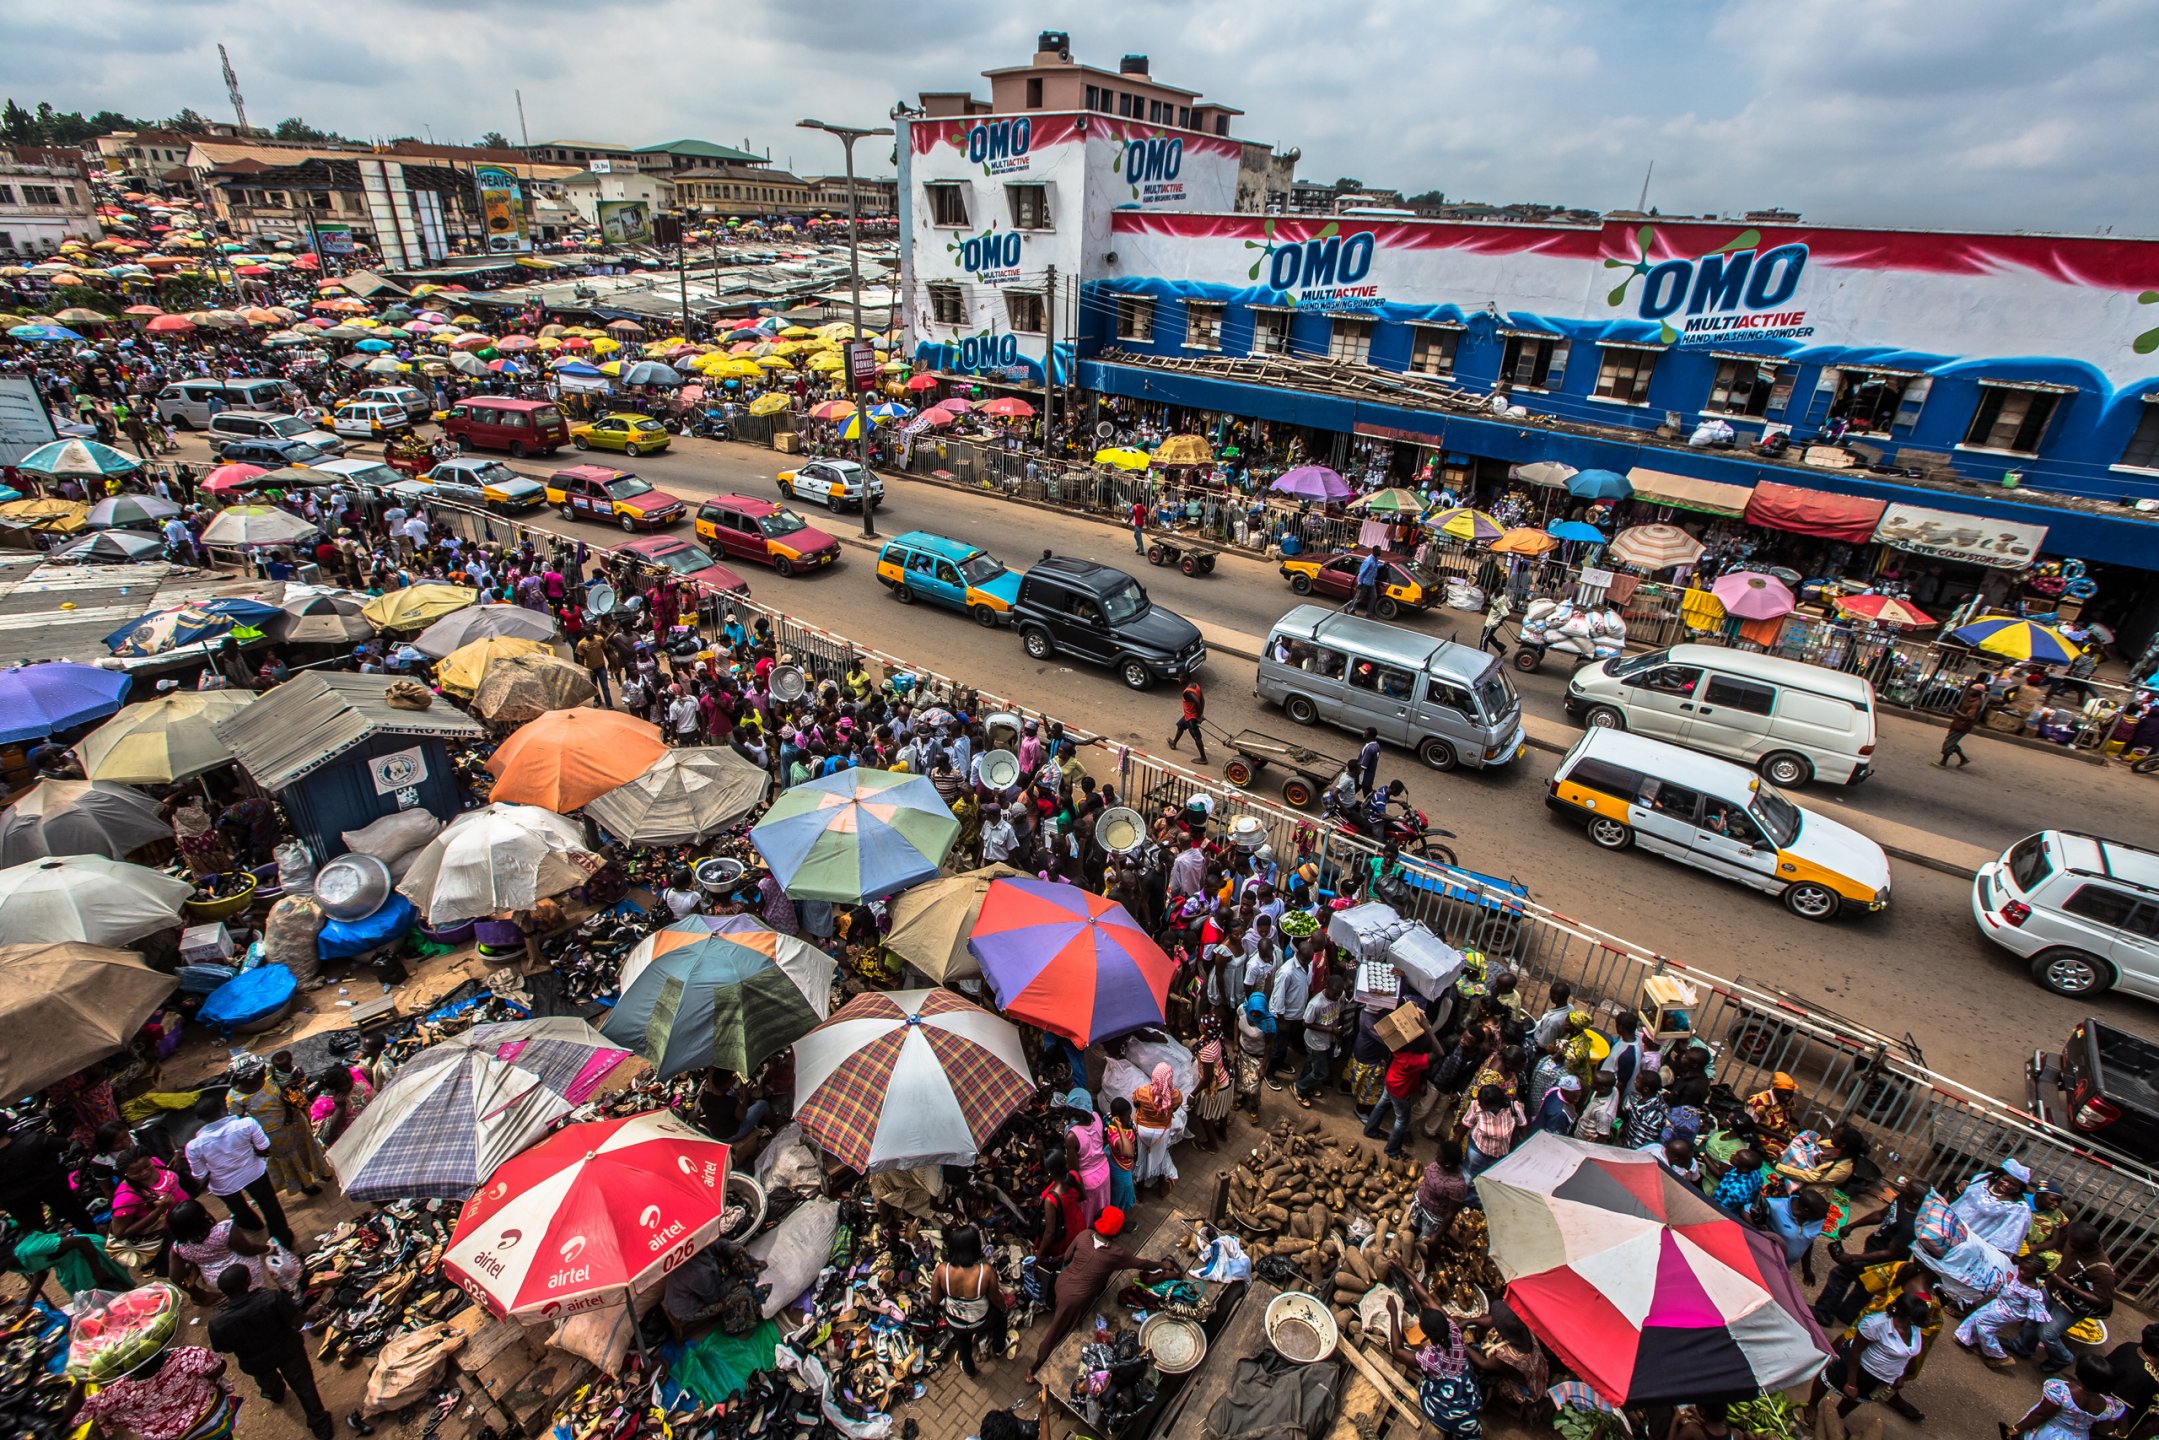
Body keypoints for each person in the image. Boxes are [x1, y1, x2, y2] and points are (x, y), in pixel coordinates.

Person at [1025, 1210, 1178, 1382]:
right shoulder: (1116, 1254)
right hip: (1075, 1299)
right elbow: (1142, 1264)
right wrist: (1162, 1265)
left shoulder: (1085, 1235)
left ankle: (1060, 1311)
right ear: (1118, 1232)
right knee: (1057, 1331)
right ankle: (1036, 1365)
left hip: (1062, 1283)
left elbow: (1067, 1257)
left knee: (1070, 1304)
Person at [206, 1263, 332, 1439]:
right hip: (289, 1351)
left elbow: (224, 1348)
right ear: (248, 1281)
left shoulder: (217, 1324)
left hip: (256, 1362)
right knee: (304, 1387)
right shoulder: (272, 1298)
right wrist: (313, 1312)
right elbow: (299, 1322)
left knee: (267, 1381)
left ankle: (275, 1393)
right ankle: (321, 1427)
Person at [182, 1097, 294, 1250]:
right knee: (270, 1206)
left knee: (238, 1208)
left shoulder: (193, 1146)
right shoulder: (247, 1123)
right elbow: (264, 1147)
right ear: (223, 1109)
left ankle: (253, 1225)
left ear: (200, 1119)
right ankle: (282, 1240)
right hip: (254, 1172)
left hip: (223, 1185)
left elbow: (200, 1174)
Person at [1805, 1292, 1931, 1423]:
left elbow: (1907, 1355)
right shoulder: (1875, 1325)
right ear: (1908, 1317)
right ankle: (1811, 1405)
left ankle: (1837, 1418)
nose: (1928, 1322)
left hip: (1878, 1376)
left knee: (1858, 1397)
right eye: (1924, 1318)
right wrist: (1851, 1384)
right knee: (1830, 1379)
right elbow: (1855, 1352)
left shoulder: (1914, 1329)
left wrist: (1901, 1375)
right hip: (1858, 1366)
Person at [76, 1344, 239, 1440]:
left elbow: (77, 1415)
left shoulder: (118, 1393)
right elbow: (219, 1368)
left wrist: (81, 1379)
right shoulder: (185, 1356)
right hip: (211, 1422)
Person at [2015, 1223, 2115, 1372]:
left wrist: (2067, 1285)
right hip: (2051, 1290)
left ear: (2087, 1245)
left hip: (2069, 1306)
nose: (2069, 1243)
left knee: (2047, 1334)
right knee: (2033, 1319)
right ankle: (2022, 1347)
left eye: (2073, 1242)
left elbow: (2102, 1300)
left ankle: (2062, 1358)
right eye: (2070, 1240)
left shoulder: (2103, 1270)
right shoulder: (2073, 1243)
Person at [225, 1060, 328, 1199]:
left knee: (307, 1145)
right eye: (260, 1074)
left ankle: (321, 1171)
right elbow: (241, 1123)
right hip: (274, 1135)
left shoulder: (267, 1074)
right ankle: (305, 1184)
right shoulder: (234, 1098)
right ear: (248, 1078)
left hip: (296, 1121)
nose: (264, 1073)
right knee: (290, 1159)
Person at [1956, 1251, 2055, 1369]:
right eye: (2022, 1268)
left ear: (2036, 1274)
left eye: (2027, 1272)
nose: (2022, 1272)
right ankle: (1964, 1337)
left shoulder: (2032, 1291)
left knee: (1984, 1325)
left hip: (2009, 1312)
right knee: (1976, 1316)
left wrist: (2025, 1320)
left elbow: (2037, 1309)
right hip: (1999, 1303)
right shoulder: (2016, 1270)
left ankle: (1998, 1356)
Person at [930, 1225, 1007, 1377]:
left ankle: (970, 1369)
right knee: (1000, 1318)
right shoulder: (985, 1271)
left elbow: (935, 1299)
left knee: (962, 1341)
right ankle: (999, 1348)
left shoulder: (942, 1270)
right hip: (980, 1320)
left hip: (955, 1321)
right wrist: (1004, 1309)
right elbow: (995, 1298)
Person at [1999, 1355, 2129, 1440]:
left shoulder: (2060, 1390)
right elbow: (2121, 1415)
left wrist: (2015, 1429)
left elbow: (2040, 1414)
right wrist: (2119, 1434)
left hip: (2048, 1434)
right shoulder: (2108, 1405)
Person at [0, 1222, 131, 1305]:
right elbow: (40, 1272)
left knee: (113, 1292)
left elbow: (83, 1241)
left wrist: (97, 1270)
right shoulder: (13, 1266)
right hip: (69, 1263)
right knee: (91, 1299)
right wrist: (28, 1305)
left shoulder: (29, 1250)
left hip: (89, 1253)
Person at [1365, 1035, 1432, 1160]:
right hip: (1400, 1091)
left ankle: (1370, 1130)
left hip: (1390, 1082)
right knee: (1402, 1121)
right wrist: (1428, 1031)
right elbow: (1439, 1053)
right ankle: (1392, 1150)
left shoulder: (1399, 1050)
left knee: (1380, 1106)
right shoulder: (1413, 1060)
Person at [1131, 1063, 1182, 1194]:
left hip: (1142, 1131)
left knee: (1142, 1158)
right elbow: (1174, 1109)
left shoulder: (1142, 1092)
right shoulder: (1175, 1096)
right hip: (1161, 1132)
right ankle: (1162, 1189)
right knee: (1159, 1158)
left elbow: (1136, 1103)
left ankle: (1140, 1193)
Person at [1063, 1091, 1110, 1228]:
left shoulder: (1072, 1136)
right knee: (1102, 1206)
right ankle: (1106, 1227)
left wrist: (1080, 1192)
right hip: (1104, 1171)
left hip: (1088, 1182)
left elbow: (1073, 1170)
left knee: (1088, 1214)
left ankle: (1090, 1235)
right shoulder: (1096, 1116)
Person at [1743, 1072, 1802, 1152]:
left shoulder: (1786, 1099)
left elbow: (1786, 1113)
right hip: (1762, 1134)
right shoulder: (1759, 1102)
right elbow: (1751, 1125)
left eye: (1790, 1094)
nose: (1787, 1097)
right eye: (1784, 1094)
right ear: (1775, 1090)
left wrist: (1797, 1122)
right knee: (1785, 1151)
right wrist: (1777, 1136)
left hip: (1783, 1132)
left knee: (1802, 1145)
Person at [1939, 678, 1987, 767]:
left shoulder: (1976, 703)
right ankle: (1963, 759)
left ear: (1978, 693)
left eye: (1973, 690)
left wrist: (1954, 710)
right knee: (1952, 741)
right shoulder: (1971, 698)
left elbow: (1969, 717)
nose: (1970, 691)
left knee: (1949, 743)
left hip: (1962, 726)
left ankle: (1943, 762)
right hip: (1958, 724)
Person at [1167, 677, 1207, 762]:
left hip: (1191, 718)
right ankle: (1174, 743)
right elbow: (1202, 700)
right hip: (1189, 715)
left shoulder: (1187, 692)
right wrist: (1200, 713)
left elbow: (1197, 701)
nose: (1179, 680)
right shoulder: (1195, 685)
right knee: (1180, 726)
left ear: (1184, 680)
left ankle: (1203, 758)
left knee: (1197, 737)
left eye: (1180, 678)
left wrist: (1199, 716)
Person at [1349, 544, 1383, 617]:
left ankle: (1369, 613)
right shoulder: (1368, 561)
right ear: (1375, 551)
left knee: (1374, 597)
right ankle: (1351, 609)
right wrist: (1360, 583)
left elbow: (1376, 567)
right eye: (1379, 551)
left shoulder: (1376, 559)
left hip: (1371, 583)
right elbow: (1362, 573)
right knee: (1359, 598)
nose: (1381, 552)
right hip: (1364, 583)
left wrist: (1383, 565)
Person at [1478, 589, 1512, 656]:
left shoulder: (1499, 602)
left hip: (1492, 623)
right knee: (1489, 636)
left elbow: (1506, 614)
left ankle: (1481, 653)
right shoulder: (1504, 597)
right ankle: (1502, 648)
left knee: (1484, 637)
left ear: (1499, 593)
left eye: (1496, 593)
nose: (1495, 595)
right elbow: (1509, 607)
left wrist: (1500, 621)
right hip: (1493, 621)